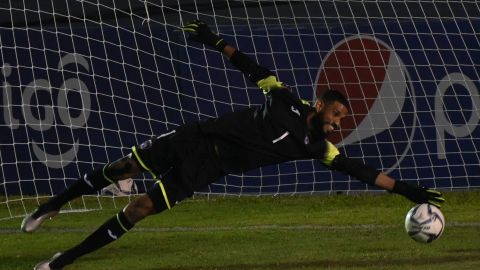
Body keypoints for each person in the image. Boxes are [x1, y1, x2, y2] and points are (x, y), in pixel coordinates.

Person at [24, 20, 444, 270]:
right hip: (195, 137)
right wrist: (212, 40)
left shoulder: (318, 148)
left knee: (139, 209)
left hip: (207, 169)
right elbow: (250, 67)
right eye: (337, 115)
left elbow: (364, 173)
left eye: (342, 121)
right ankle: (52, 204)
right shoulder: (284, 98)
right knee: (120, 170)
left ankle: (63, 261)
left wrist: (409, 191)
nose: (339, 124)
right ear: (321, 105)